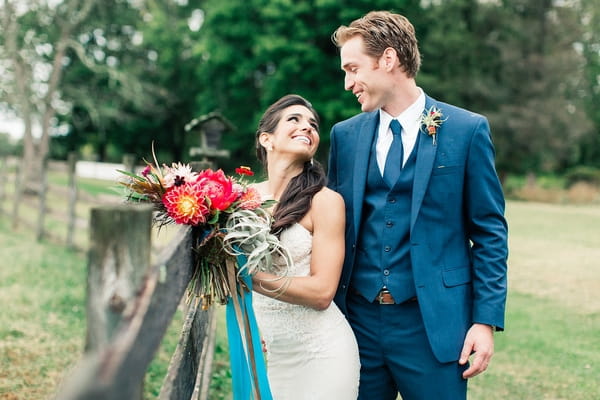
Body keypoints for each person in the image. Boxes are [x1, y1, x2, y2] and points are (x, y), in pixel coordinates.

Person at [327, 11, 509, 400]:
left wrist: (485, 321)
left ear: (388, 60)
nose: (348, 83)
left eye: (354, 68)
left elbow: (490, 232)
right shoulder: (344, 136)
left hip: (434, 327)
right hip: (355, 325)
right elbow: (328, 226)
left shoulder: (466, 130)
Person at [250, 94, 360, 399]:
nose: (307, 127)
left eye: (312, 124)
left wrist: (249, 278)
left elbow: (322, 292)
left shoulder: (325, 202)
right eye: (294, 120)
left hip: (321, 353)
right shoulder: (242, 199)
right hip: (267, 352)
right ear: (266, 139)